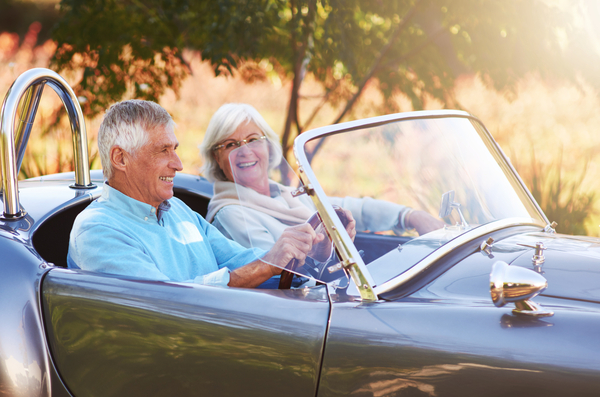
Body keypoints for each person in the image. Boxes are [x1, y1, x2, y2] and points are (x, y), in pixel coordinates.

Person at [67, 100, 322, 288]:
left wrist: (305, 255)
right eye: (163, 150)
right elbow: (167, 302)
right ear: (121, 158)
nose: (178, 164)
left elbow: (239, 259)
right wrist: (266, 265)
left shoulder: (178, 210)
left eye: (174, 149)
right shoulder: (97, 231)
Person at [200, 103, 443, 250]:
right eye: (231, 144)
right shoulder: (232, 214)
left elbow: (348, 207)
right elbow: (276, 273)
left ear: (269, 146)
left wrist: (410, 216)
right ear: (216, 159)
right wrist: (325, 246)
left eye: (253, 139)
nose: (245, 151)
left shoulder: (286, 194)